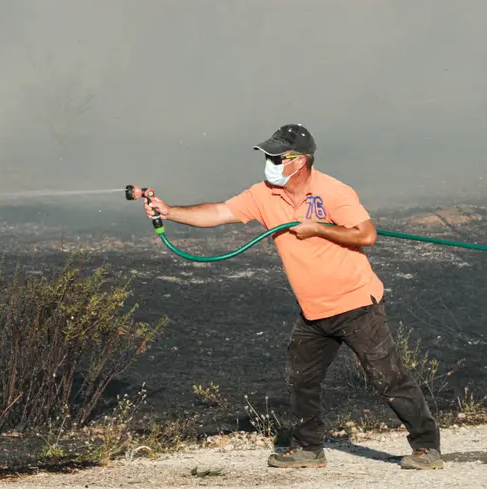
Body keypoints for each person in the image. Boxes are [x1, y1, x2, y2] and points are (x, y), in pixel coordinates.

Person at [143, 124, 443, 470]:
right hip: (314, 311)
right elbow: (220, 212)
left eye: (276, 156)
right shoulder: (263, 194)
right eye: (268, 155)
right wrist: (169, 211)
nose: (269, 161)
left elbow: (366, 234)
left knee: (388, 377)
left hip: (357, 304)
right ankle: (309, 449)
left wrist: (316, 227)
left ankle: (426, 446)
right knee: (301, 379)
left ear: (299, 161)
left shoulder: (334, 191)